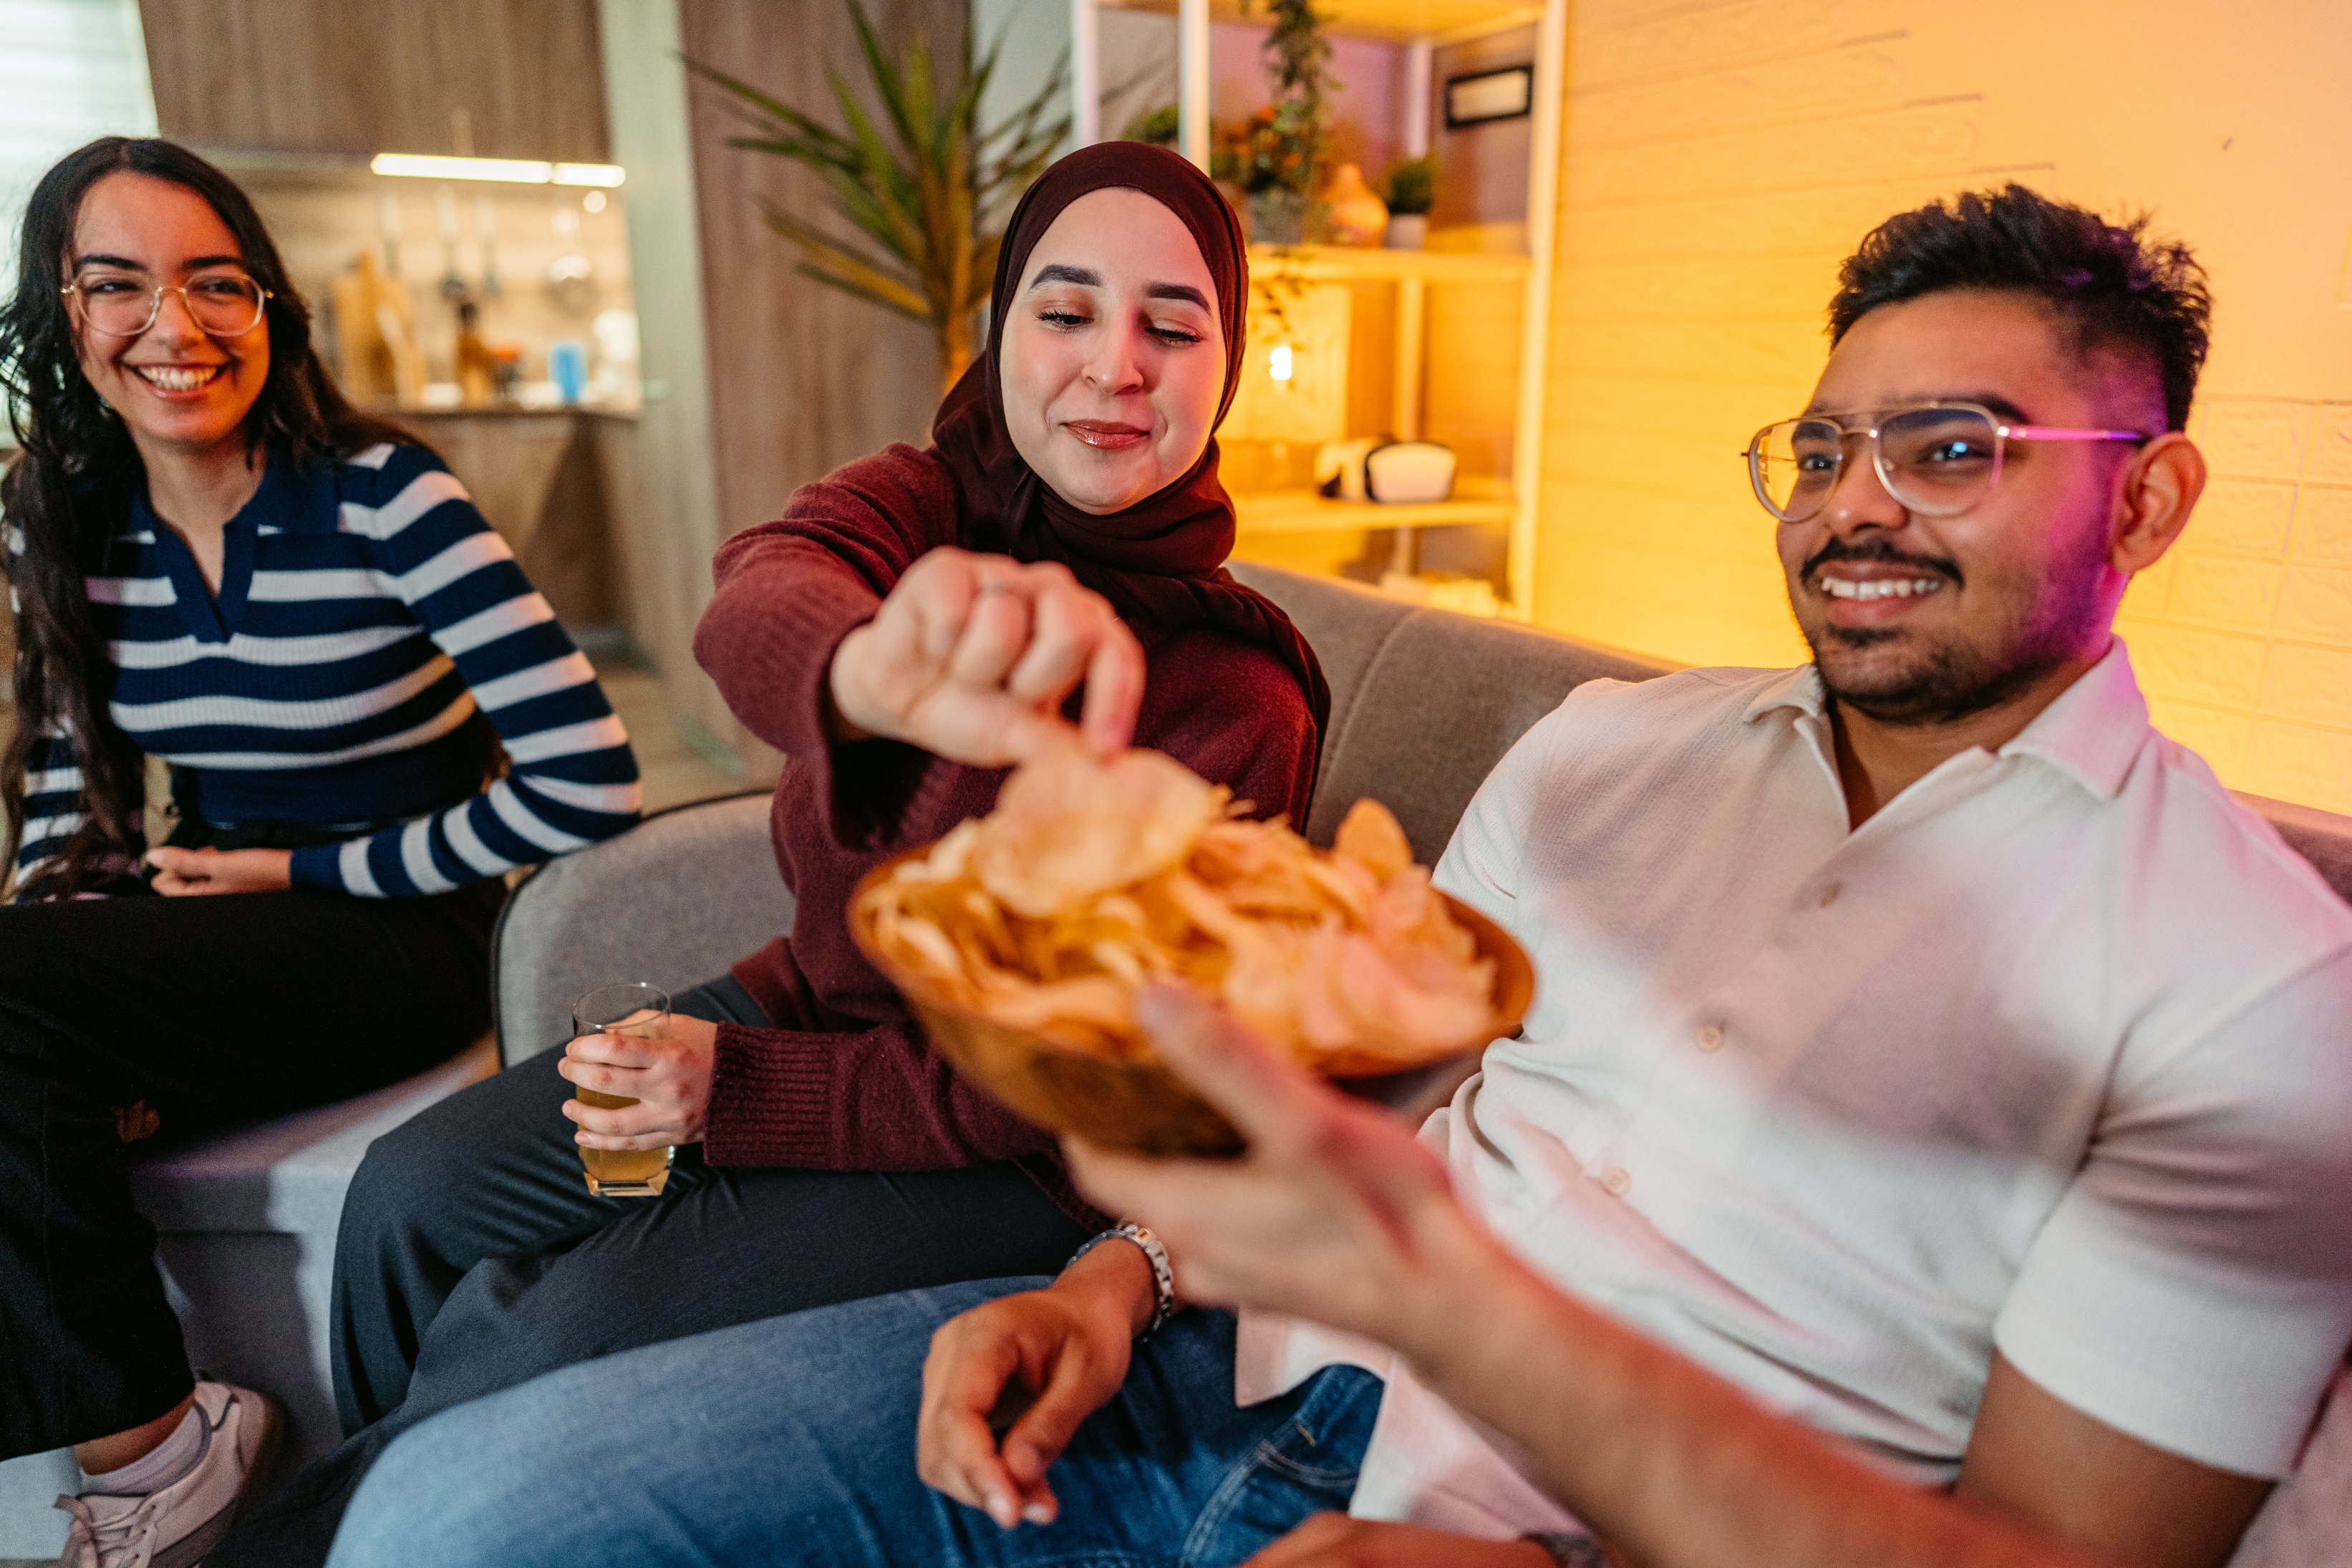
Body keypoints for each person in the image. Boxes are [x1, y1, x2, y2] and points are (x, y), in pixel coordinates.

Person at [323, 185, 2352, 1568]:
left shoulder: (2254, 989)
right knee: (451, 1516)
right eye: (1819, 450)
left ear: (2148, 498)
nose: (1851, 508)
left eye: (1951, 448)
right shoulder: (1615, 749)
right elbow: (1358, 1079)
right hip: (1201, 1367)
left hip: (1562, 1525)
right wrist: (1110, 1288)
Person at [210, 141, 1328, 1564]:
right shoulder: (921, 504)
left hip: (1018, 1152)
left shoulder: (1240, 700)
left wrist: (731, 1091)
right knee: (409, 1200)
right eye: (1065, 310)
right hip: (816, 1009)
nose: (1115, 364)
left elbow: (1051, 1084)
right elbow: (758, 591)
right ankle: (389, 1521)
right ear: (1000, 334)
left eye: (1173, 326)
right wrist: (872, 673)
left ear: (1221, 372)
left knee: (537, 1334)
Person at [0, 137, 641, 1565]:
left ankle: (163, 1461)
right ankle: (148, 1442)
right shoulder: (61, 514)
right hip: (209, 918)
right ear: (63, 315)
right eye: (117, 284)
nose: (173, 325)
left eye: (214, 281)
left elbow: (589, 783)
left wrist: (301, 873)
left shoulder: (384, 496)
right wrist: (69, 957)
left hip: (406, 925)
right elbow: (63, 789)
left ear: (268, 305)